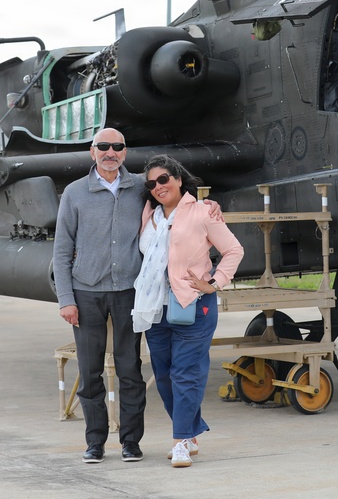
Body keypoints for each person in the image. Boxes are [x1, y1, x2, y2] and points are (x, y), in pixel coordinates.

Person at [132, 154, 243, 468]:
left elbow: (234, 250)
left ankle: (180, 442)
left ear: (179, 179)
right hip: (155, 308)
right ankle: (191, 432)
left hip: (193, 305)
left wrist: (215, 281)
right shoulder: (149, 215)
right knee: (165, 375)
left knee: (186, 374)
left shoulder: (203, 212)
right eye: (151, 183)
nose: (158, 187)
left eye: (164, 179)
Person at [52, 128, 147, 464]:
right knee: (90, 370)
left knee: (129, 369)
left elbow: (174, 196)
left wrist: (204, 207)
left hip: (127, 293)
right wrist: (66, 298)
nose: (111, 152)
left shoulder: (139, 187)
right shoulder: (75, 193)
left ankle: (131, 442)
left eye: (117, 146)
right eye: (103, 146)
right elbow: (62, 249)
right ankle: (95, 442)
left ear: (125, 151)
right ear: (92, 152)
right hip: (86, 294)